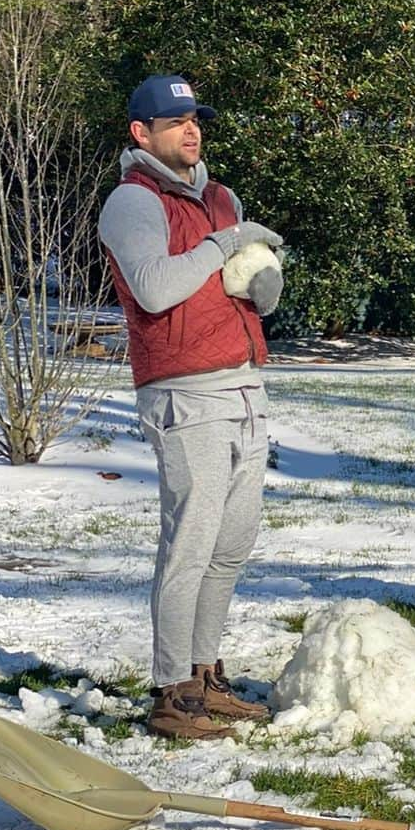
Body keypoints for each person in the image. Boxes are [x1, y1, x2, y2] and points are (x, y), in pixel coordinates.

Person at [99, 74, 285, 739]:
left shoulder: (221, 197)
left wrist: (267, 275)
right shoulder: (133, 200)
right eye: (174, 120)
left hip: (244, 384)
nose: (191, 129)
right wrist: (222, 245)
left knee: (231, 545)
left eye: (195, 118)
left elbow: (250, 296)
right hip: (182, 390)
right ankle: (172, 692)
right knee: (191, 542)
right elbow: (153, 288)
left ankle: (206, 677)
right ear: (141, 133)